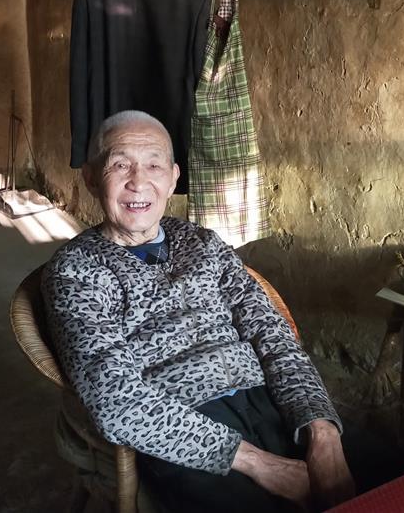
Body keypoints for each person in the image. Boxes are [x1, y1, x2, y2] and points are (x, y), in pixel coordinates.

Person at [42, 110, 355, 512]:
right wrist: (260, 464)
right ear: (90, 177)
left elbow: (273, 335)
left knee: (397, 480)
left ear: (173, 178)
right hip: (182, 427)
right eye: (120, 165)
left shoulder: (203, 243)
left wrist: (321, 430)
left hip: (268, 398)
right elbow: (115, 400)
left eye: (154, 165)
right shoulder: (77, 270)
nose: (138, 181)